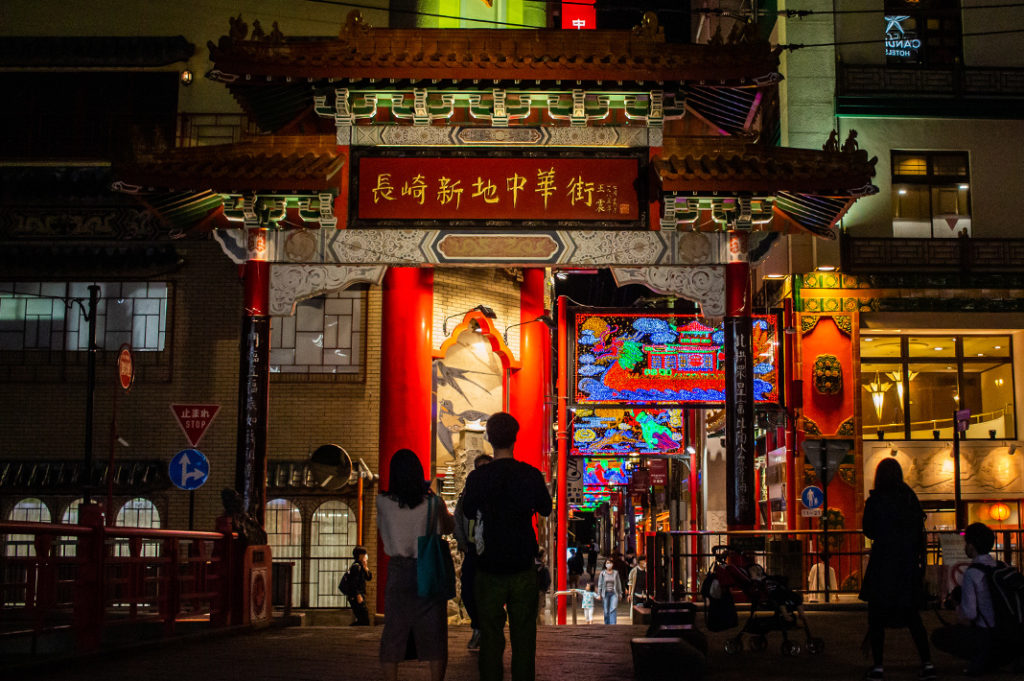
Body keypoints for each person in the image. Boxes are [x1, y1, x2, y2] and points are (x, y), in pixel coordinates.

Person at [462, 412, 553, 681]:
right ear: (515, 437)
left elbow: (467, 510)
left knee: (490, 637)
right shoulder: (530, 475)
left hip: (488, 567)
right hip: (522, 566)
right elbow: (546, 509)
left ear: (488, 438)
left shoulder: (479, 478)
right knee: (524, 638)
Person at [376, 449, 455, 681]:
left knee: (394, 631)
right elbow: (447, 528)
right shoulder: (433, 503)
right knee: (435, 632)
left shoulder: (382, 502)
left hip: (398, 570)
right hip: (427, 570)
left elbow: (383, 530)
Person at [858, 458, 935, 681]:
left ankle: (879, 666)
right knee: (913, 617)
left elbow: (869, 531)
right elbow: (919, 531)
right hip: (907, 564)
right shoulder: (910, 498)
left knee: (877, 618)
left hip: (883, 563)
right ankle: (927, 663)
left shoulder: (876, 500)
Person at [932, 522, 1016, 675]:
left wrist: (957, 605)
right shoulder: (1000, 566)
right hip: (1010, 638)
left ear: (971, 546)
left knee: (939, 636)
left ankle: (983, 660)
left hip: (987, 638)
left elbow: (969, 614)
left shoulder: (973, 573)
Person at [453, 452, 492, 651]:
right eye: (480, 467)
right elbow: (457, 518)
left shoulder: (497, 490)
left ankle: (486, 631)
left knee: (490, 592)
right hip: (471, 549)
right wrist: (461, 541)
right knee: (467, 591)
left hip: (492, 551)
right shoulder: (467, 493)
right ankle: (478, 626)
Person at [346, 545, 372, 625]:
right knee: (364, 619)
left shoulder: (361, 566)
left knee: (362, 620)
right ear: (360, 555)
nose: (366, 555)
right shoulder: (356, 567)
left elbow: (369, 578)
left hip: (359, 595)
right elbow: (353, 583)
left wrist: (366, 567)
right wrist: (358, 595)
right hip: (356, 596)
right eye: (364, 553)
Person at [597, 559, 623, 624]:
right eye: (607, 563)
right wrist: (599, 594)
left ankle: (613, 625)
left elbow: (619, 583)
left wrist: (620, 594)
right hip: (605, 593)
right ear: (605, 564)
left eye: (610, 563)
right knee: (606, 610)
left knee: (613, 608)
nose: (609, 564)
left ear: (612, 564)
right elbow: (600, 584)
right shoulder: (602, 573)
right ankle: (607, 624)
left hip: (614, 593)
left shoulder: (616, 573)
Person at [627, 555, 648, 623]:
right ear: (640, 562)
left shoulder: (647, 571)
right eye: (644, 561)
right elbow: (630, 583)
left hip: (645, 594)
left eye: (645, 561)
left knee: (644, 610)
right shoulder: (634, 571)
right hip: (636, 593)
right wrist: (629, 594)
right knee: (636, 610)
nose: (645, 562)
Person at [535, 548, 551, 624]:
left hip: (529, 590)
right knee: (538, 611)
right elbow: (548, 581)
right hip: (540, 591)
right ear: (543, 556)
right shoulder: (543, 567)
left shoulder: (529, 566)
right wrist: (544, 590)